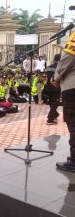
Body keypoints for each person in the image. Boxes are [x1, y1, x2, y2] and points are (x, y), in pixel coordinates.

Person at [54, 28, 75, 172]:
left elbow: (67, 58)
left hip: (72, 86)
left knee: (73, 123)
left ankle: (74, 160)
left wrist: (56, 77)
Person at [44, 54, 61, 125]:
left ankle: (55, 114)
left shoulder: (48, 67)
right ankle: (50, 119)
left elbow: (46, 76)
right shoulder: (60, 67)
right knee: (55, 103)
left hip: (49, 87)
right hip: (56, 87)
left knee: (51, 102)